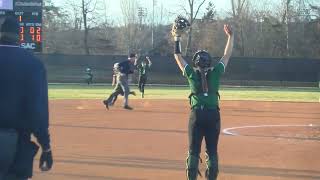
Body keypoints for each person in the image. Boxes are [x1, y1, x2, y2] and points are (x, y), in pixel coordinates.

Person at [171, 21, 234, 180]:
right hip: (213, 116)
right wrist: (230, 37)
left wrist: (177, 38)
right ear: (209, 62)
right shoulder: (216, 73)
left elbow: (178, 56)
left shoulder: (192, 74)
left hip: (196, 116)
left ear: (196, 62)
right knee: (212, 151)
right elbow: (226, 55)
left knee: (193, 151)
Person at [0, 17, 53, 180]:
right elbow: (37, 111)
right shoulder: (33, 64)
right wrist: (46, 146)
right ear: (20, 36)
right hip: (14, 143)